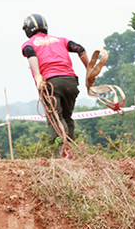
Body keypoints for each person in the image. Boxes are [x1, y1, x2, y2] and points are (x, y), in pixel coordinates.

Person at [21, 13, 90, 150]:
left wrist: (38, 76)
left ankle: (61, 146)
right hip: (71, 81)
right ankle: (71, 148)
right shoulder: (60, 40)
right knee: (67, 117)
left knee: (54, 118)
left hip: (51, 83)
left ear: (28, 29)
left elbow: (31, 55)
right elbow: (80, 49)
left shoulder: (29, 44)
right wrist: (89, 70)